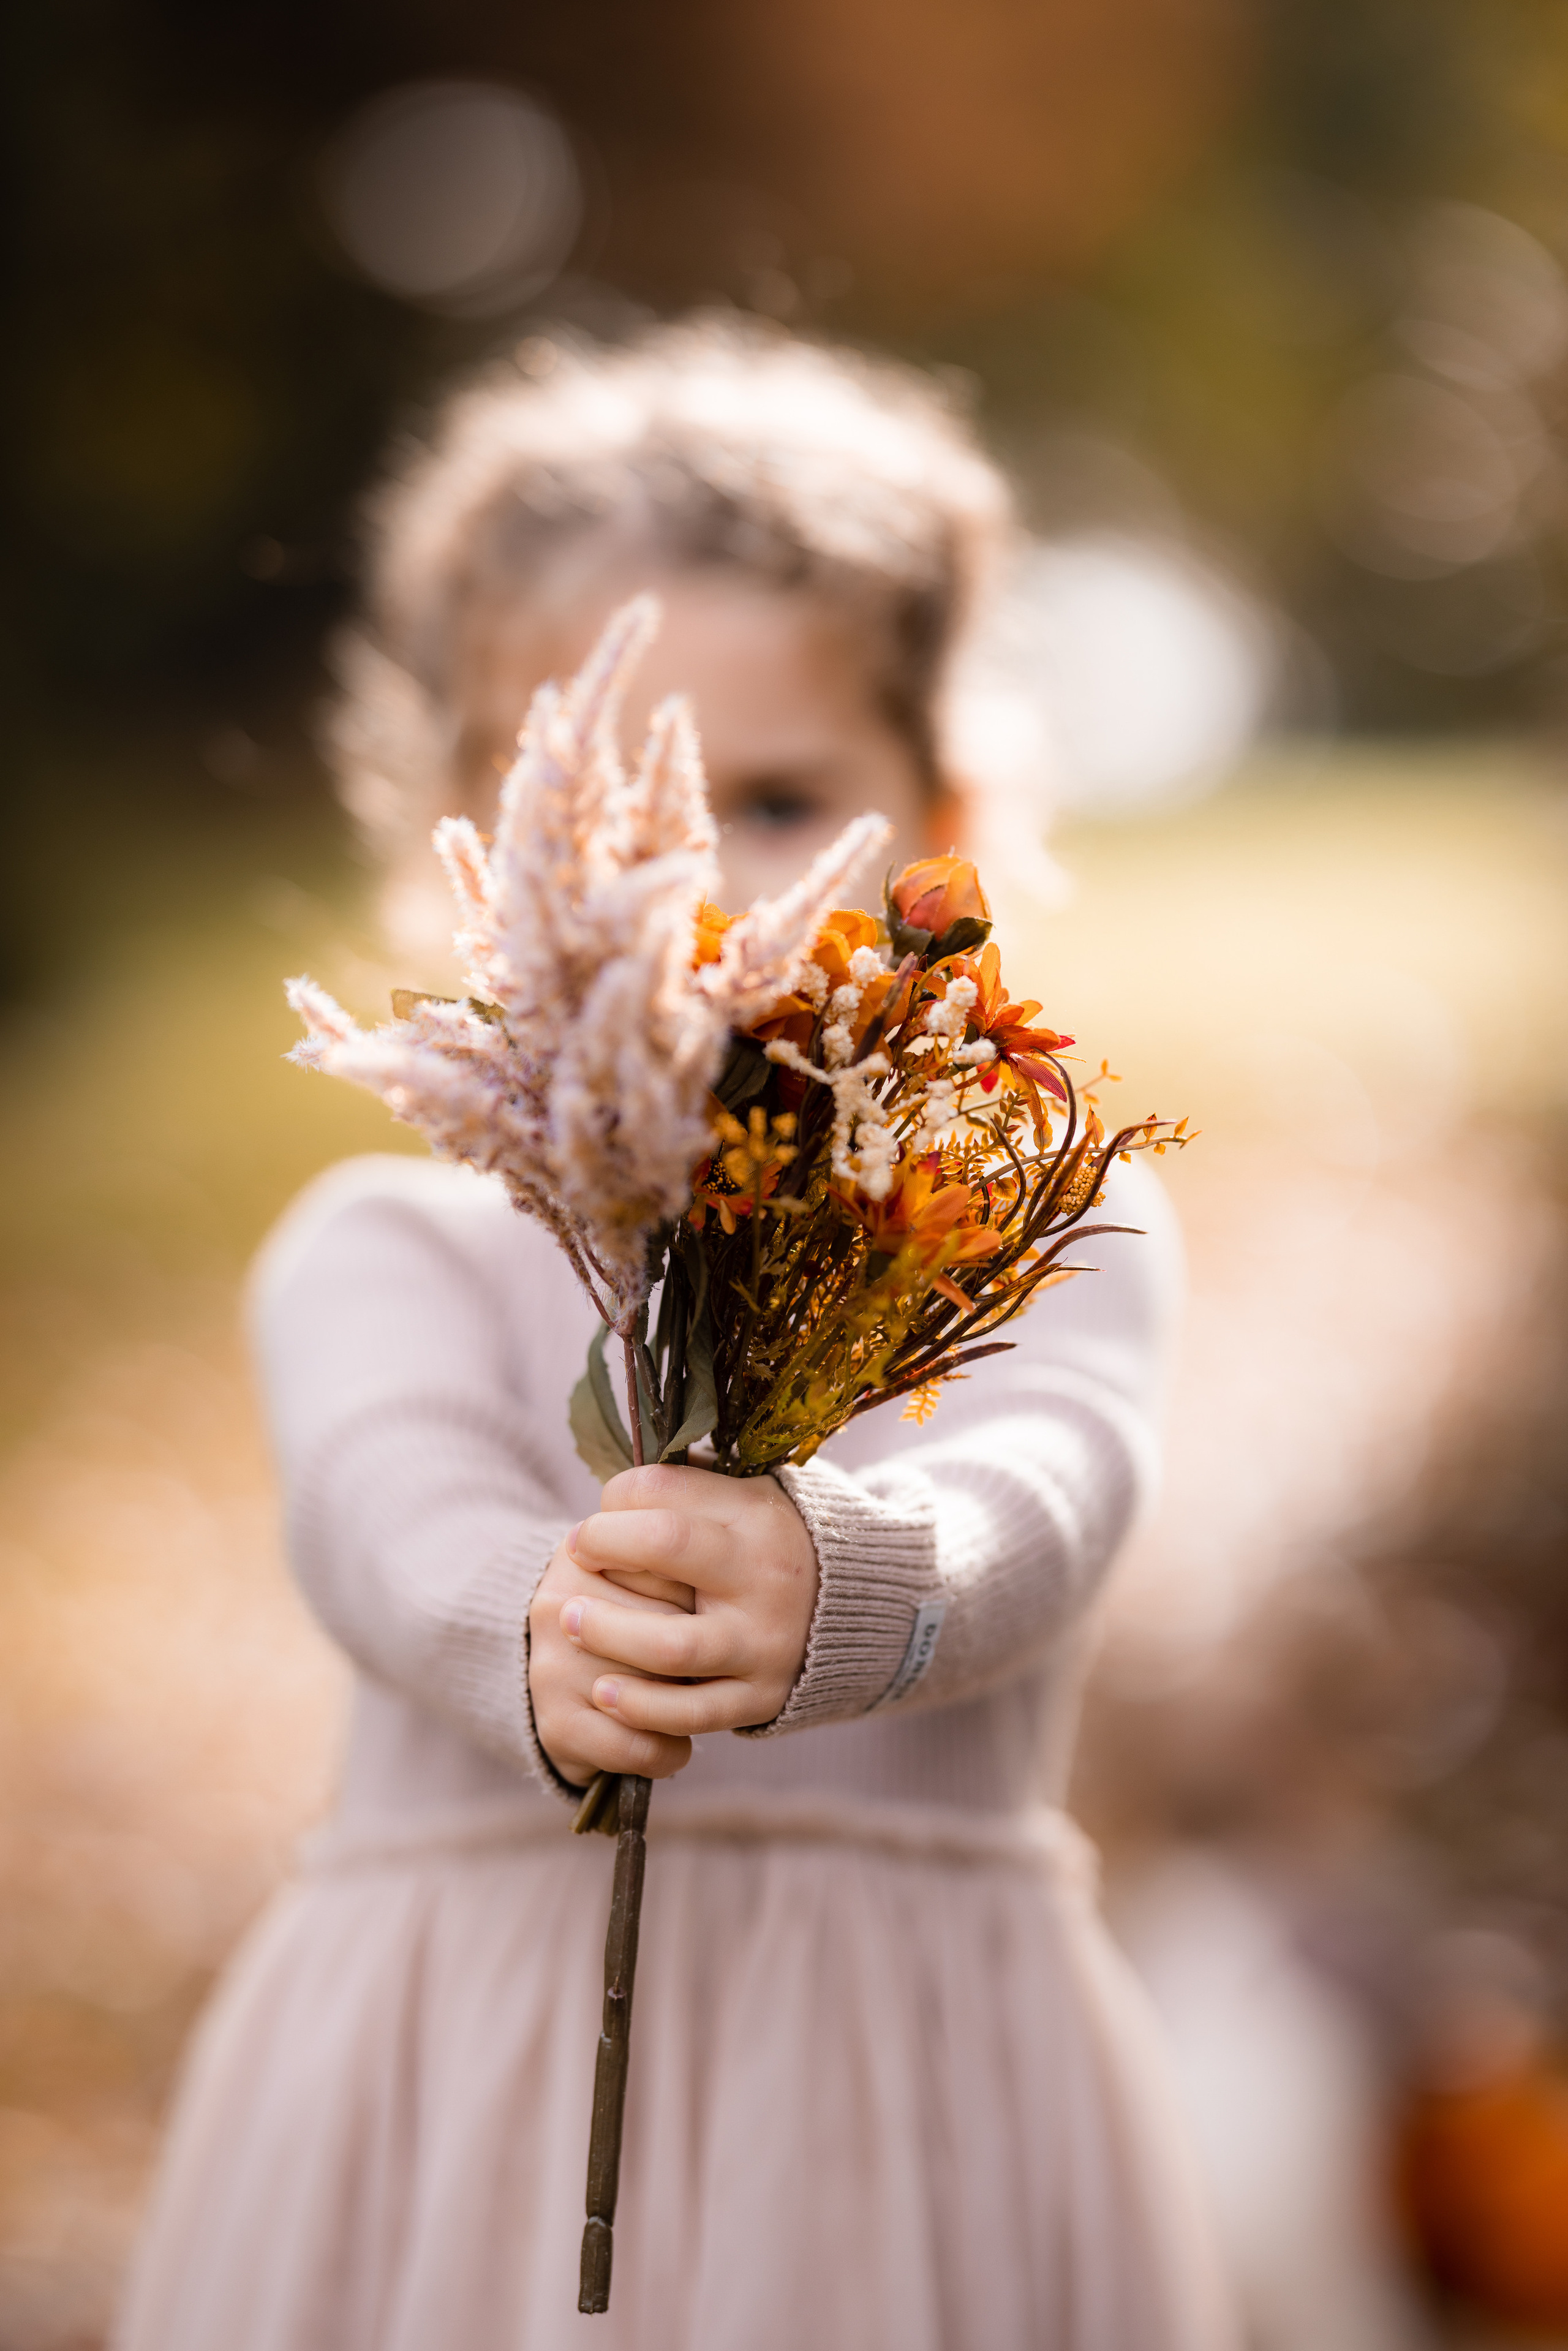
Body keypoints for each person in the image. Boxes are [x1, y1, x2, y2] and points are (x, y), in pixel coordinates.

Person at [116, 321, 1234, 2350]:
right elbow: (382, 1506)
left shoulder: (1019, 1227)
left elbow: (1062, 1483)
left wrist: (850, 1574)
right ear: (461, 834)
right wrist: (526, 1620)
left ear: (952, 821)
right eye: (621, 819)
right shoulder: (392, 1245)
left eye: (787, 798)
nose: (702, 899)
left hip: (910, 2107)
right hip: (473, 2094)